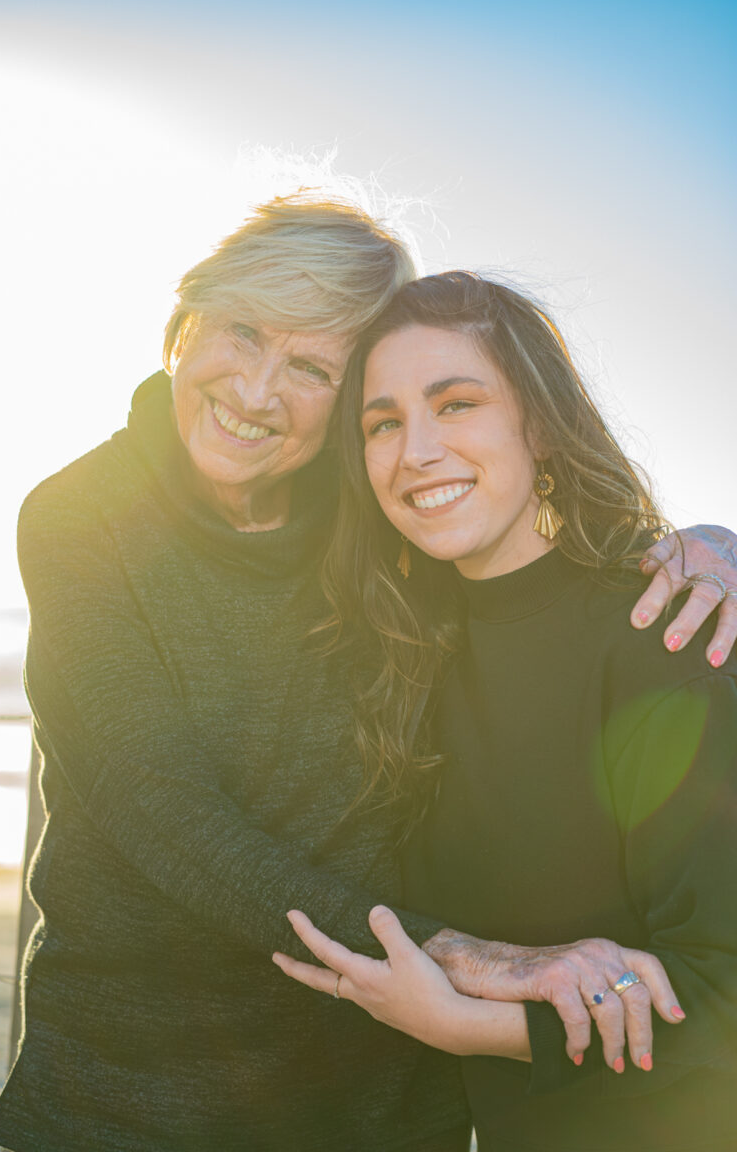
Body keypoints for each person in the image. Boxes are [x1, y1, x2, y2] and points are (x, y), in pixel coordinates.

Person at [0, 201, 736, 1152]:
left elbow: (522, 536)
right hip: (132, 1085)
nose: (256, 392)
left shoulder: (375, 509)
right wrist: (471, 960)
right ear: (185, 326)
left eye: (309, 368)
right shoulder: (82, 518)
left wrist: (701, 545)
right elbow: (158, 804)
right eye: (242, 332)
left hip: (380, 1099)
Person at [274, 271, 737, 1150]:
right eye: (383, 423)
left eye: (455, 404)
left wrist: (464, 1025)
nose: (415, 451)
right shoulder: (402, 662)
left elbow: (726, 995)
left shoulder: (661, 640)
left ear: (541, 421)